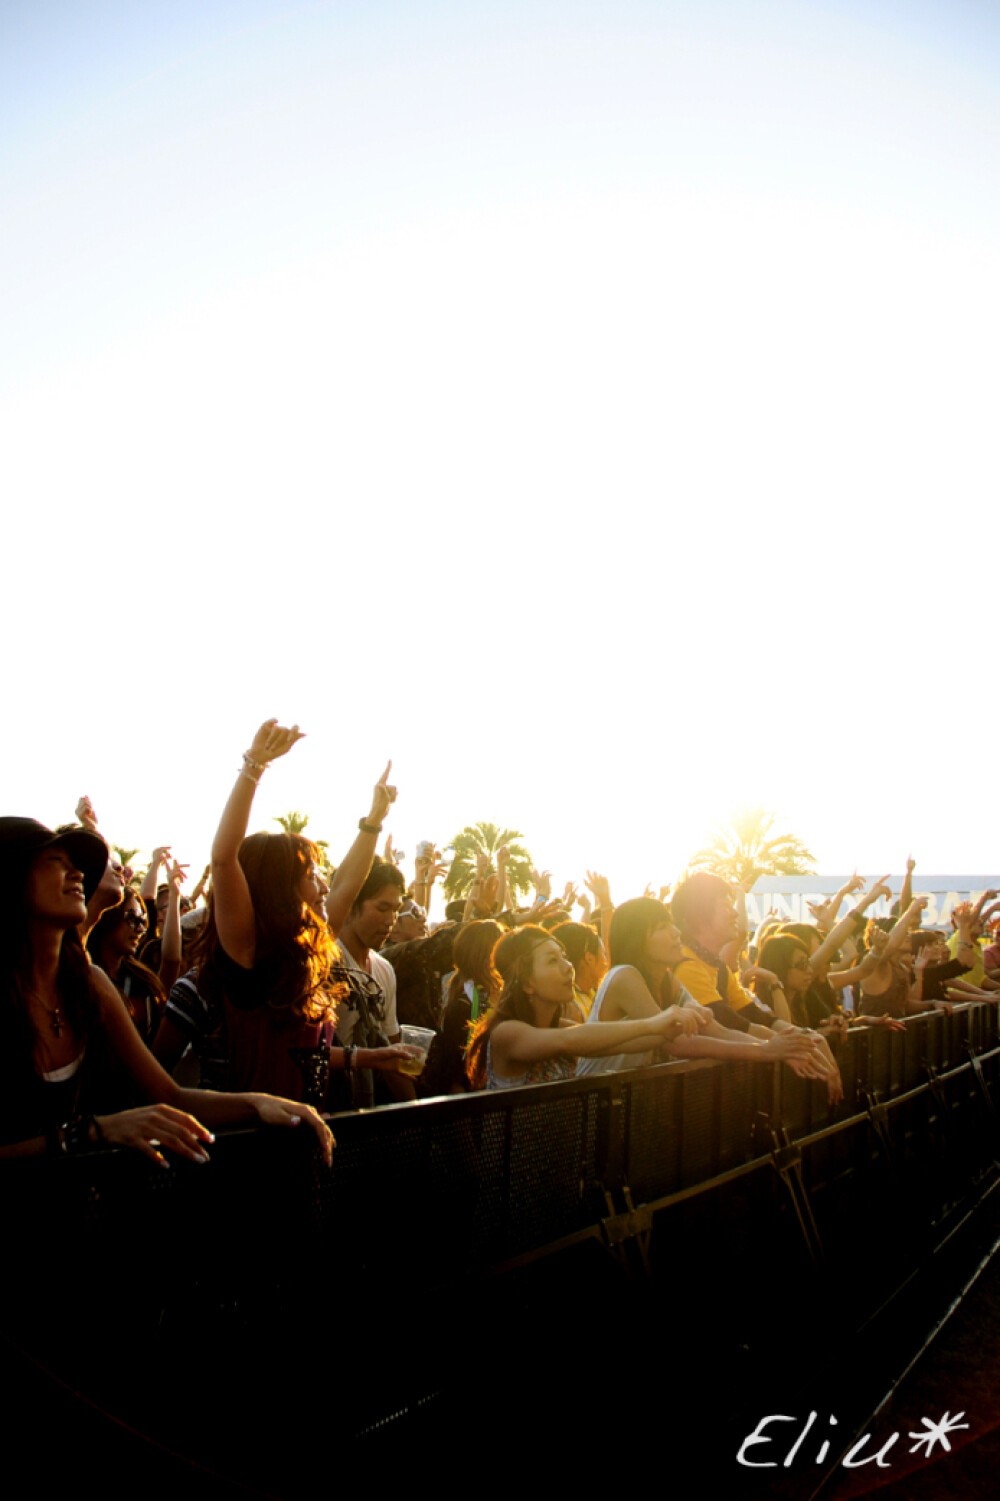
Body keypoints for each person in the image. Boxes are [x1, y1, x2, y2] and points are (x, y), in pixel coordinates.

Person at [0, 816, 332, 1165]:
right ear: (10, 877)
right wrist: (87, 1133)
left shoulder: (90, 984)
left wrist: (259, 1103)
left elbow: (168, 1095)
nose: (78, 874)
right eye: (56, 862)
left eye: (77, 865)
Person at [201, 721, 415, 1110]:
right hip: (255, 1135)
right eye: (311, 875)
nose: (324, 886)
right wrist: (253, 767)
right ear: (278, 886)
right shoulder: (247, 952)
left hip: (307, 1127)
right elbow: (223, 858)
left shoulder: (306, 952)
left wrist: (374, 820)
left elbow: (301, 1052)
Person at [573, 898, 829, 1082]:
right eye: (661, 927)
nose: (675, 933)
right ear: (636, 940)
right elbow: (678, 1043)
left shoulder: (668, 980)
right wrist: (765, 1050)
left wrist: (777, 1047)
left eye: (671, 924)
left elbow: (718, 1030)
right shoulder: (625, 976)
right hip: (593, 1104)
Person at [464, 925, 709, 1090]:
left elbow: (626, 1043)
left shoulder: (561, 1026)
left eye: (564, 956)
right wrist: (653, 1023)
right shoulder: (506, 1033)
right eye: (552, 960)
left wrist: (676, 1025)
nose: (568, 966)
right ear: (527, 983)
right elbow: (568, 1041)